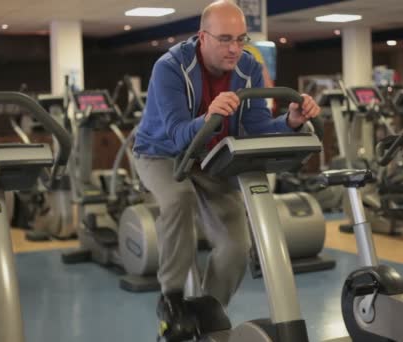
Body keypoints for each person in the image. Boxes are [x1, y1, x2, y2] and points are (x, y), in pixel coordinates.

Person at [132, 1, 321, 340]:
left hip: (212, 157)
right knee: (179, 198)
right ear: (202, 37)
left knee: (236, 244)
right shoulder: (170, 67)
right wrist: (208, 117)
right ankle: (172, 299)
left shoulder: (248, 66)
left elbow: (257, 125)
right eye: (224, 39)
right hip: (160, 153)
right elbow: (176, 133)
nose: (235, 48)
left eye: (241, 39)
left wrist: (291, 122)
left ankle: (206, 308)